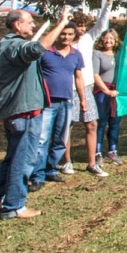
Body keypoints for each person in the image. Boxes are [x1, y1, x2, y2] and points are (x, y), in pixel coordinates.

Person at [0, 8, 71, 220]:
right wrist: (61, 23)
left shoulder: (7, 45)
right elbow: (38, 49)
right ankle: (14, 206)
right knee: (24, 159)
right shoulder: (14, 45)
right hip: (24, 113)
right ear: (16, 25)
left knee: (12, 158)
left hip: (20, 111)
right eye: (29, 22)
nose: (33, 25)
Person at [32, 21, 102, 183]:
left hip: (67, 99)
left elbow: (78, 78)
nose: (66, 37)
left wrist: (83, 99)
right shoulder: (45, 52)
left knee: (60, 138)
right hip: (47, 101)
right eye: (63, 33)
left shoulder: (75, 54)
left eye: (70, 34)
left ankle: (51, 169)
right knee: (42, 139)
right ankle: (38, 175)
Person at [61, 0, 114, 179]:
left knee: (91, 124)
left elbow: (101, 23)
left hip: (87, 87)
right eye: (78, 26)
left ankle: (92, 163)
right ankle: (66, 161)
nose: (82, 30)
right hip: (68, 88)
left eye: (84, 26)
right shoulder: (66, 42)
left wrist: (109, 1)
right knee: (67, 126)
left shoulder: (88, 39)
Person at [91, 29, 123, 165]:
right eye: (106, 38)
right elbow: (95, 75)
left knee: (115, 121)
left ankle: (112, 150)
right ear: (102, 39)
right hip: (102, 92)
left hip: (117, 92)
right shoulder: (97, 54)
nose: (108, 41)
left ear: (116, 41)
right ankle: (97, 152)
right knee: (101, 122)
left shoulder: (119, 54)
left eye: (112, 38)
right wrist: (106, 91)